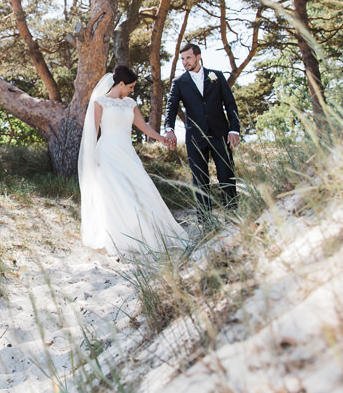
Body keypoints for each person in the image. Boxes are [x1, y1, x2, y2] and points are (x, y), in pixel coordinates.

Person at [78, 65, 187, 256]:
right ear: (120, 84)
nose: (132, 90)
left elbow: (143, 126)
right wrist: (92, 156)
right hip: (107, 153)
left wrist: (161, 138)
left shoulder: (130, 103)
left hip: (126, 152)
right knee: (116, 194)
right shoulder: (99, 103)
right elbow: (93, 131)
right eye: (130, 86)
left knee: (141, 190)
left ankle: (144, 233)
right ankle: (120, 237)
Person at [163, 43, 241, 219]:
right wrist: (169, 129)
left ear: (198, 57)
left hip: (220, 133)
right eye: (182, 59)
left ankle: (233, 214)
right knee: (199, 179)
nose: (185, 62)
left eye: (188, 58)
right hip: (195, 138)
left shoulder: (217, 76)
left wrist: (234, 129)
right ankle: (205, 219)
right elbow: (171, 107)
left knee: (226, 175)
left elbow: (230, 104)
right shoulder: (179, 82)